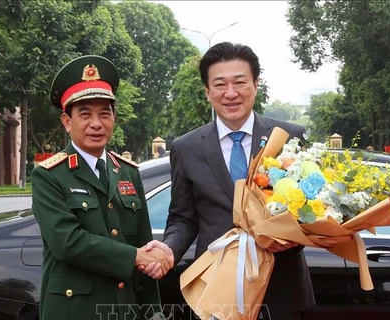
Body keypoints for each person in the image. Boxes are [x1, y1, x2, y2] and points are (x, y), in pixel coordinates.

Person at [143, 42, 315, 320]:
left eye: (240, 82)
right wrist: (169, 249)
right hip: (215, 288)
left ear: (256, 84)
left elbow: (309, 208)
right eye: (220, 84)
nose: (231, 93)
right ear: (207, 91)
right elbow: (182, 218)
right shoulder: (186, 148)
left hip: (281, 288)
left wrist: (296, 236)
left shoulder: (288, 138)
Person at [32, 55, 172, 320]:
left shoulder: (128, 172)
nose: (96, 123)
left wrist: (153, 312)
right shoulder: (49, 175)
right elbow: (67, 243)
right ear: (66, 121)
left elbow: (144, 245)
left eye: (104, 113)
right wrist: (135, 257)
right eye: (85, 114)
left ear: (114, 118)